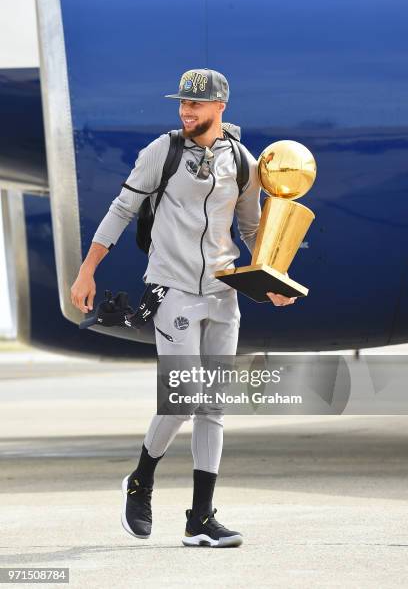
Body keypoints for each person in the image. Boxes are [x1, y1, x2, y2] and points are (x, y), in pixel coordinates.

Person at [70, 68, 296, 548]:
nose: (186, 111)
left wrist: (272, 277)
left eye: (196, 105)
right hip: (172, 289)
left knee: (212, 405)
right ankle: (140, 480)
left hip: (223, 291)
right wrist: (87, 270)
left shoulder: (242, 161)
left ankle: (201, 519)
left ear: (220, 107)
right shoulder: (163, 150)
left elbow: (253, 230)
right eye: (182, 104)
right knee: (181, 397)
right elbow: (122, 208)